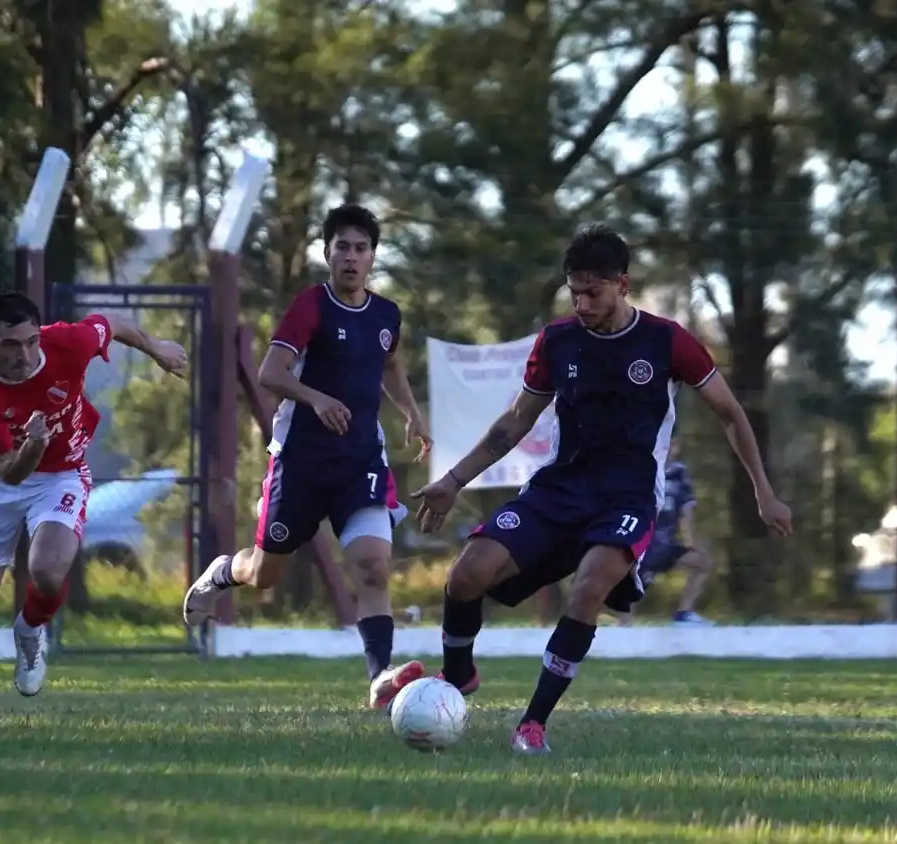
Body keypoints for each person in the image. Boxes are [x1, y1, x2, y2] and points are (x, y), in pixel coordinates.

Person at [410, 224, 793, 756]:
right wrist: (453, 480)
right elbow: (516, 421)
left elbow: (730, 413)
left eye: (594, 291)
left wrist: (763, 492)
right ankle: (456, 680)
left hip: (628, 498)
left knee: (589, 586)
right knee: (466, 574)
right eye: (575, 290)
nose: (583, 302)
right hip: (559, 490)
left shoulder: (667, 341)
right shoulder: (557, 341)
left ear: (623, 285)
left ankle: (532, 724)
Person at [182, 204, 432, 709]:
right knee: (265, 576)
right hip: (300, 463)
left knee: (374, 568)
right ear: (327, 253)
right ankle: (223, 572)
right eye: (342, 247)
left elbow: (389, 363)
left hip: (360, 460)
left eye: (361, 248)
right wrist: (316, 398)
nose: (351, 257)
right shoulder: (310, 307)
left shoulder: (386, 315)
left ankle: (379, 676)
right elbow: (271, 372)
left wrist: (410, 411)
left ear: (372, 258)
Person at [0, 292, 189, 729]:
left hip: (63, 473)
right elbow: (8, 471)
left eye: (31, 342)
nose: (24, 355)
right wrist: (33, 447)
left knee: (49, 571)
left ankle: (30, 629)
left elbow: (112, 323)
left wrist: (157, 349)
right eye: (10, 346)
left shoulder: (69, 344)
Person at [625, 438, 716, 626]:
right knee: (631, 587)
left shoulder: (680, 473)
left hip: (667, 544)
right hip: (644, 545)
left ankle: (684, 614)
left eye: (673, 444)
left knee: (703, 562)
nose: (669, 449)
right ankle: (622, 631)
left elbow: (686, 513)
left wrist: (693, 543)